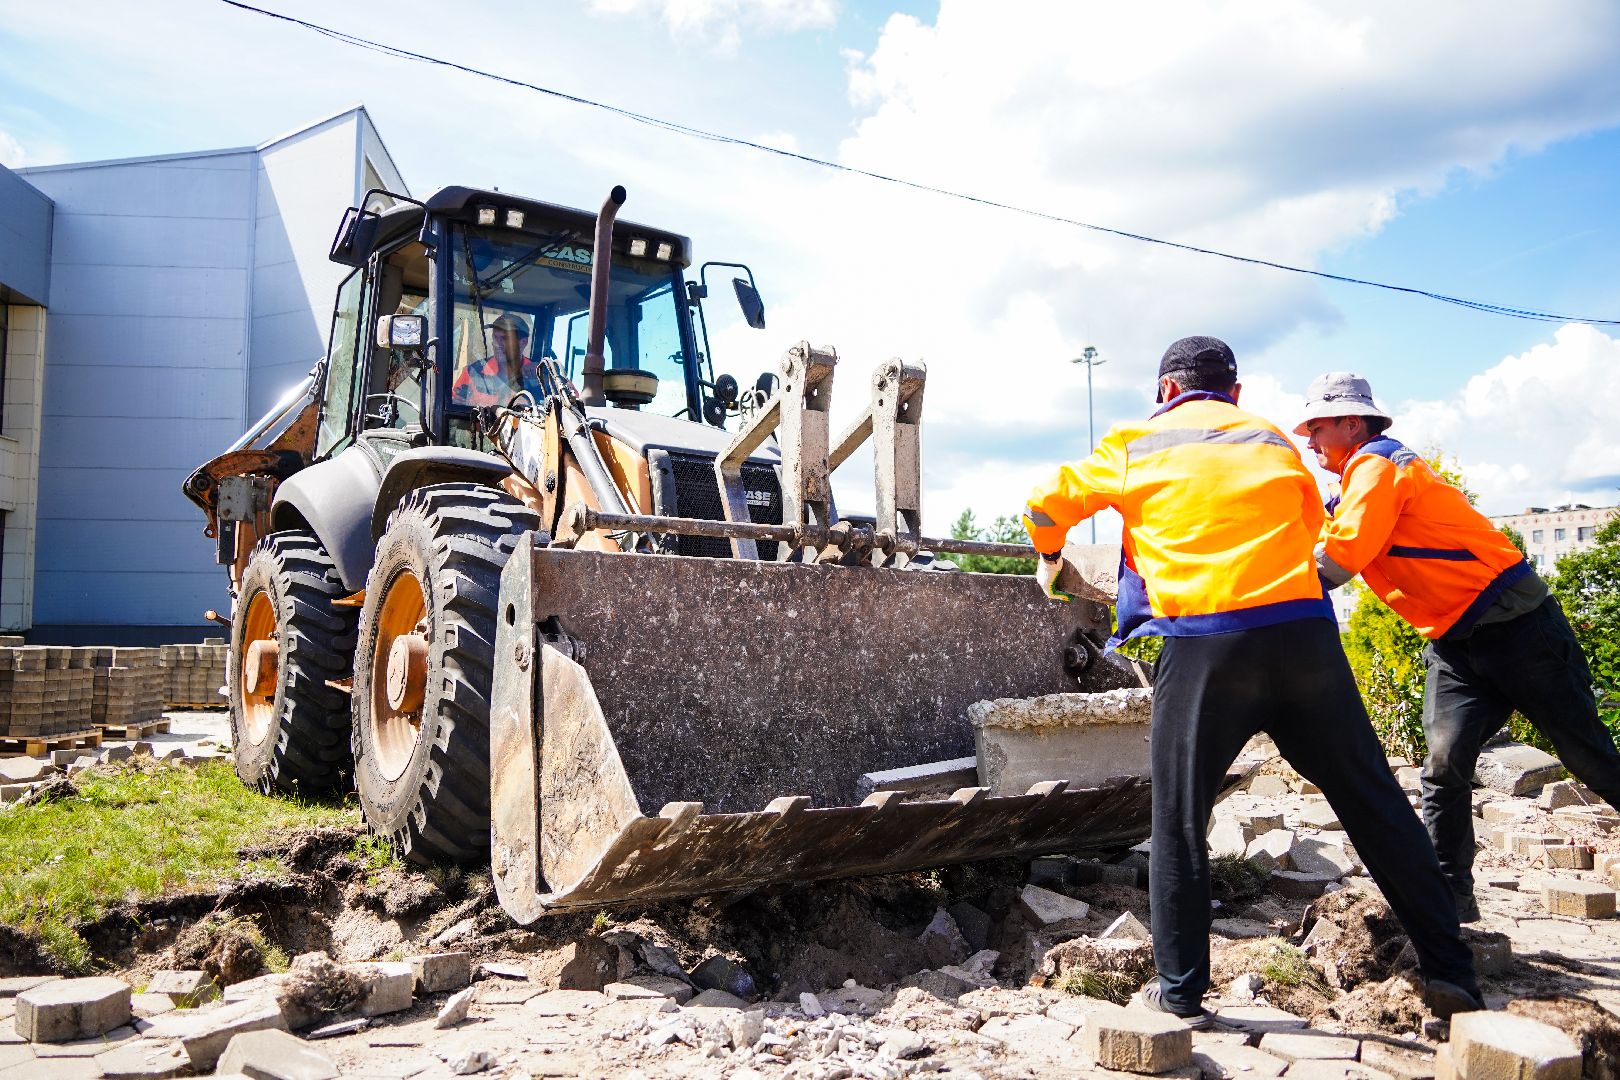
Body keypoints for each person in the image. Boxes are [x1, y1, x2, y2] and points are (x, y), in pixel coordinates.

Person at [1022, 337, 1481, 1027]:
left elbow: (1043, 505)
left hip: (1205, 645)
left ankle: (1180, 993)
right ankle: (1452, 972)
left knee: (1179, 821)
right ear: (1234, 393)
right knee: (1375, 802)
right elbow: (1307, 529)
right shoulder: (1272, 440)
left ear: (1166, 390)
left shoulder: (1134, 442)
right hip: (1303, 637)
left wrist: (1051, 556)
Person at [1299, 372, 1620, 922]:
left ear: (1352, 423)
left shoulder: (1377, 466)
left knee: (1587, 753)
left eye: (1317, 428)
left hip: (1519, 628)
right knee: (1444, 766)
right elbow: (1326, 536)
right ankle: (1450, 902)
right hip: (1455, 644)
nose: (1310, 442)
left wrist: (1263, 597)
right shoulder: (1357, 484)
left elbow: (1339, 559)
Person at [452, 313, 542, 407]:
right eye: (495, 337)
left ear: (523, 342)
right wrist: (456, 402)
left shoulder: (538, 375)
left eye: (505, 338)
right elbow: (451, 404)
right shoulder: (473, 371)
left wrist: (542, 376)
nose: (496, 344)